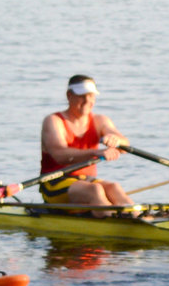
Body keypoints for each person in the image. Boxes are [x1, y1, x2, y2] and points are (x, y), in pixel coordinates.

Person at [38, 74, 133, 210]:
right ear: (69, 95)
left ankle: (139, 219)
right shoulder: (54, 121)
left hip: (85, 180)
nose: (88, 101)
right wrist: (95, 152)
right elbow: (60, 155)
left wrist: (116, 140)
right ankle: (113, 222)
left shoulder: (99, 120)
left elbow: (125, 145)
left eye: (91, 96)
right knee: (95, 190)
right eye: (82, 96)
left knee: (114, 188)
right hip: (54, 182)